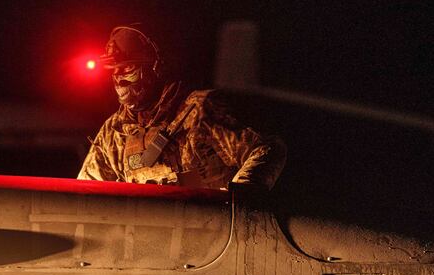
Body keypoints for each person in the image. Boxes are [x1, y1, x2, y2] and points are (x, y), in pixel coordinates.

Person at [77, 25, 286, 192]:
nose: (119, 80)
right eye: (115, 71)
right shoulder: (115, 132)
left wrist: (238, 205)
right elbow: (85, 192)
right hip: (153, 242)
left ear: (155, 68)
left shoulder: (200, 110)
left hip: (215, 239)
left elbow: (266, 149)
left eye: (128, 69)